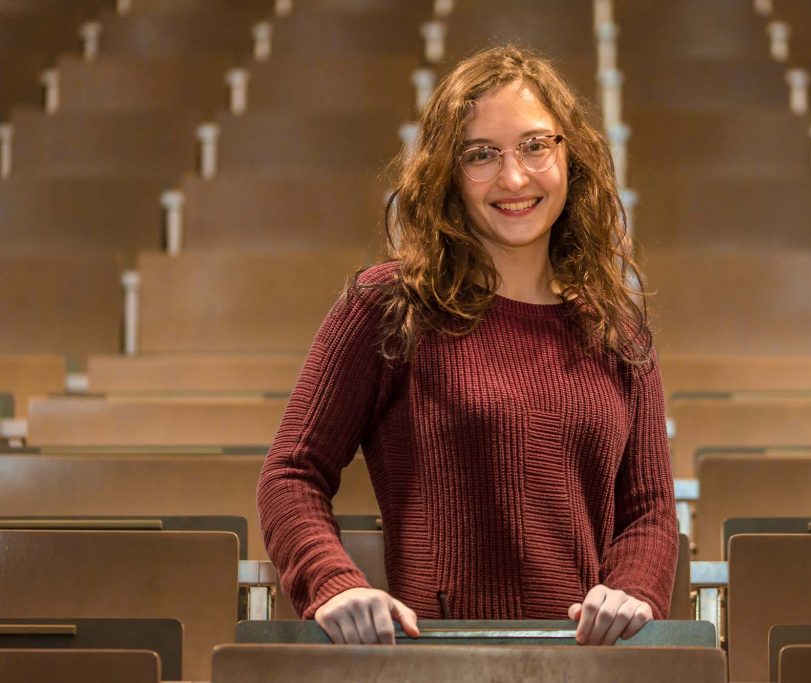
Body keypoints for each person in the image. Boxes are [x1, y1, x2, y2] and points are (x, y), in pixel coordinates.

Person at [257, 44, 678, 648]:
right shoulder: (390, 305)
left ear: (570, 155)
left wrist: (632, 591)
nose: (514, 178)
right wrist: (333, 583)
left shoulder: (618, 328)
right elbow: (290, 475)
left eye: (536, 145)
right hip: (435, 661)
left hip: (582, 666)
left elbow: (650, 513)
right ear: (446, 174)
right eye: (481, 155)